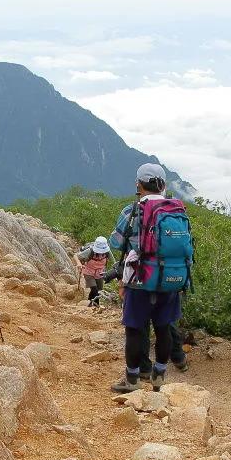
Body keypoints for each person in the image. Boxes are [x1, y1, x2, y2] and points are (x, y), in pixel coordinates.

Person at [108, 163, 183, 393]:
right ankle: (159, 376)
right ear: (163, 184)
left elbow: (115, 243)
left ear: (138, 184)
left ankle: (132, 380)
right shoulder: (176, 209)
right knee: (163, 328)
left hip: (139, 280)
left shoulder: (131, 211)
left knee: (134, 329)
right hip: (170, 279)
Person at [75, 236, 111, 306]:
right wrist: (79, 264)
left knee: (99, 291)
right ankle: (96, 306)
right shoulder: (90, 251)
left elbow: (114, 262)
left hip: (100, 273)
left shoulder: (107, 252)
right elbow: (76, 256)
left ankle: (89, 304)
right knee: (94, 289)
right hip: (88, 272)